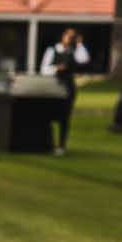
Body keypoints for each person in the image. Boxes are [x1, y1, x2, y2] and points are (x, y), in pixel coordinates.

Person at [40, 27, 88, 155]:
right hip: (53, 87)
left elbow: (84, 60)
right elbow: (44, 69)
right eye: (69, 36)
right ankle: (47, 143)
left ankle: (61, 146)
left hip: (68, 88)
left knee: (64, 118)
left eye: (73, 37)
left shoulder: (74, 51)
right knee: (48, 116)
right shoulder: (52, 50)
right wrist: (56, 68)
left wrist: (79, 44)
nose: (70, 39)